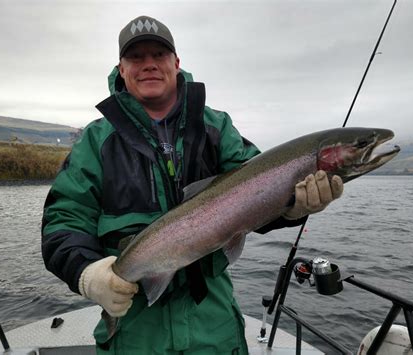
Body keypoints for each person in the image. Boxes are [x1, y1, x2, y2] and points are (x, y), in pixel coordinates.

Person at [41, 15, 344, 354]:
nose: (149, 65)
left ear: (176, 63)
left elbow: (259, 191)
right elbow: (64, 220)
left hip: (212, 321)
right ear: (121, 69)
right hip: (133, 327)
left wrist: (293, 207)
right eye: (136, 57)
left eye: (159, 55)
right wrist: (86, 272)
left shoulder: (216, 127)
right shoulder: (96, 142)